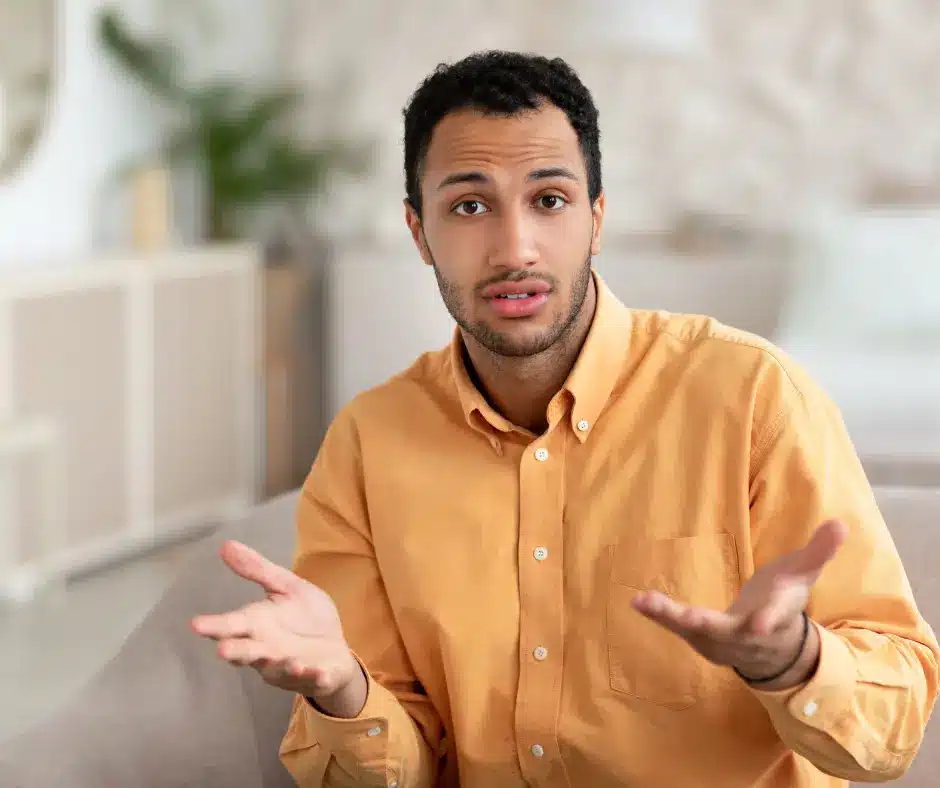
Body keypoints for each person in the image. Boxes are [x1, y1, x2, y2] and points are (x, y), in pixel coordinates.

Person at [191, 51, 939, 787]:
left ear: (596, 219)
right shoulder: (366, 444)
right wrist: (343, 691)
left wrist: (791, 659)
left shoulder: (752, 397)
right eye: (470, 206)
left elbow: (892, 736)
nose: (515, 248)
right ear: (419, 233)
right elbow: (402, 771)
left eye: (549, 200)